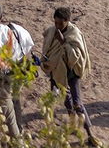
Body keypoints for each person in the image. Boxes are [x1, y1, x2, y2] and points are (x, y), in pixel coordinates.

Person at [40, 7, 96, 144]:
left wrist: (63, 42)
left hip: (72, 72)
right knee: (66, 100)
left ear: (67, 21)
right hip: (57, 72)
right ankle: (72, 124)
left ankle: (90, 134)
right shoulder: (51, 31)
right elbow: (47, 49)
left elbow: (75, 57)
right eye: (56, 23)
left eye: (60, 23)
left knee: (78, 103)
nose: (57, 26)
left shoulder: (74, 34)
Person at [0, 2, 35, 140]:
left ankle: (16, 139)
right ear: (2, 16)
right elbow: (28, 44)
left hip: (1, 76)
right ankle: (20, 129)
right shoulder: (15, 28)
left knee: (7, 108)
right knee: (15, 99)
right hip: (19, 69)